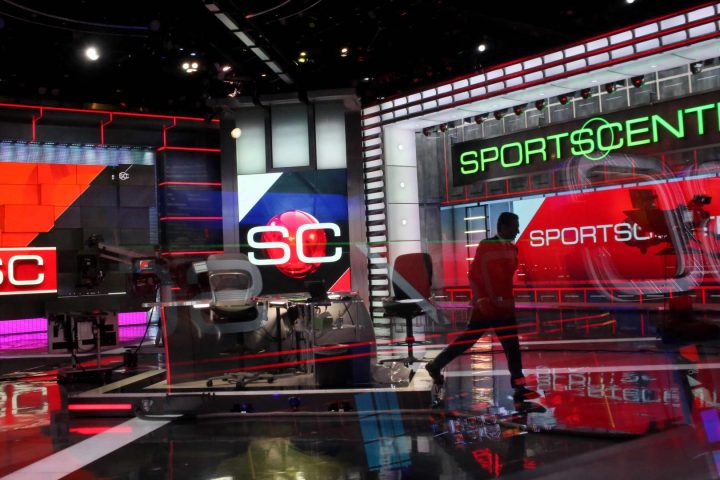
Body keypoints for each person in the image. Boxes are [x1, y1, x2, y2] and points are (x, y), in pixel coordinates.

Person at [425, 212, 539, 403]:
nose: (518, 230)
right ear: (503, 227)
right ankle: (436, 365)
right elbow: (474, 275)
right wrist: (481, 299)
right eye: (514, 226)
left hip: (504, 307)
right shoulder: (487, 246)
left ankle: (519, 387)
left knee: (512, 348)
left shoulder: (513, 249)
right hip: (486, 305)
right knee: (469, 341)